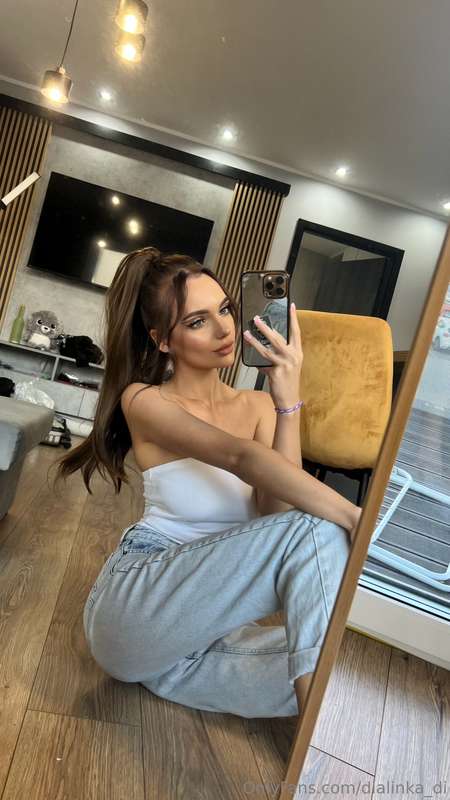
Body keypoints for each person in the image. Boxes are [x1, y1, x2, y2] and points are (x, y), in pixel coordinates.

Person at [53, 246, 362, 720]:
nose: (224, 330)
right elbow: (241, 457)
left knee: (329, 669)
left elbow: (277, 515)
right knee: (322, 527)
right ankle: (309, 752)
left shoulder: (258, 407)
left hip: (200, 633)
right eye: (198, 322)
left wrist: (287, 401)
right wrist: (356, 520)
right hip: (139, 602)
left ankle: (182, 670)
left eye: (225, 310)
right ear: (162, 341)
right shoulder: (144, 400)